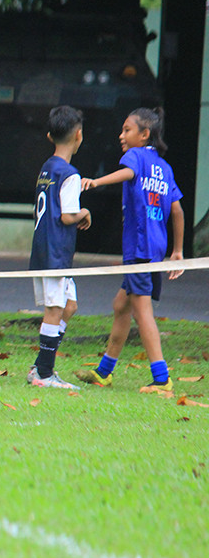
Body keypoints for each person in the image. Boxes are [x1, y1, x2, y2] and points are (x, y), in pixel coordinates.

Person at [76, 107, 184, 392]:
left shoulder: (135, 156)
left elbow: (128, 173)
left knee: (142, 312)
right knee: (120, 306)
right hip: (156, 249)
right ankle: (104, 372)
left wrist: (96, 181)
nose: (121, 135)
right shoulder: (164, 167)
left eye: (127, 130)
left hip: (139, 249)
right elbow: (177, 210)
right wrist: (177, 251)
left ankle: (162, 379)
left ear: (144, 134)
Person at [27, 106, 91, 389]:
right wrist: (85, 213)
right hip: (56, 252)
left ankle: (41, 365)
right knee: (55, 308)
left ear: (50, 135)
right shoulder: (70, 174)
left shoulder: (46, 168)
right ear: (79, 135)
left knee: (70, 305)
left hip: (45, 249)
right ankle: (43, 374)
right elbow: (67, 215)